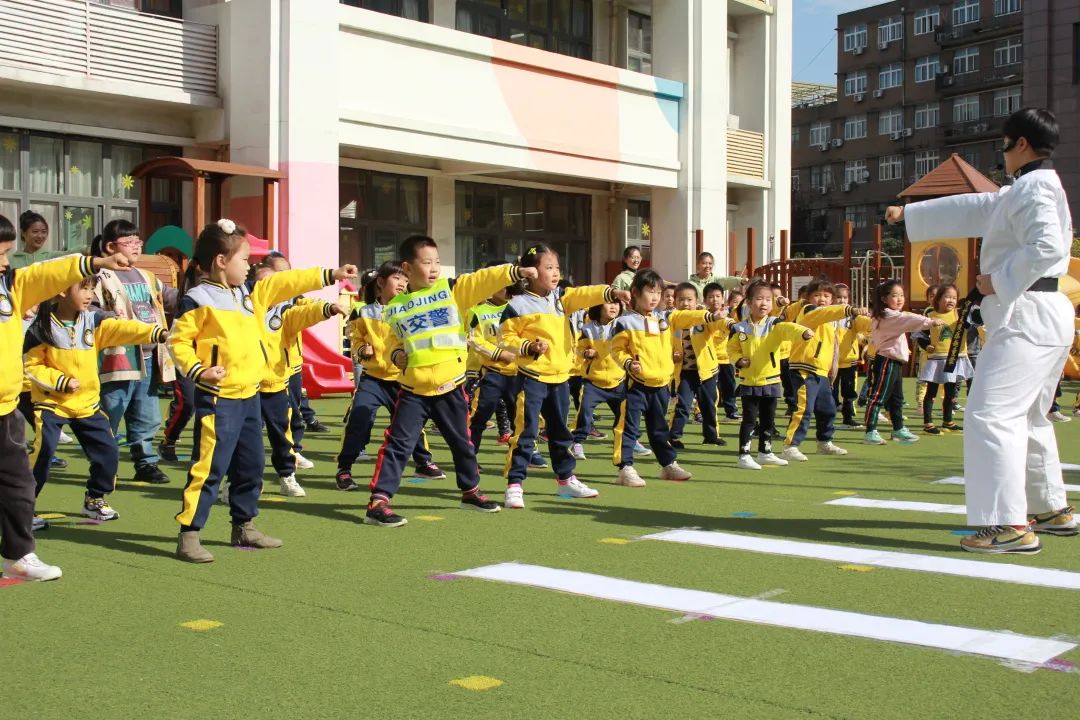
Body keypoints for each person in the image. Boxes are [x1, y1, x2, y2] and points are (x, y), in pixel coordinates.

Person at [887, 107, 1076, 553]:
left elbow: (1046, 245)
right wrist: (909, 215)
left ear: (1021, 145)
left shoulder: (1032, 190)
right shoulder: (1031, 188)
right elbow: (979, 205)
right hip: (1045, 313)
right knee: (1028, 415)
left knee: (991, 415)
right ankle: (1050, 509)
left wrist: (999, 280)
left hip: (1026, 314)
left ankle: (1008, 523)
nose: (1003, 152)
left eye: (1006, 144)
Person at [168, 219, 356, 562]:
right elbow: (178, 343)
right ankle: (189, 533)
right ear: (221, 261)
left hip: (249, 395)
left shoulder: (249, 295)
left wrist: (330, 273)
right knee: (209, 468)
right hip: (218, 398)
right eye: (244, 260)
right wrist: (199, 370)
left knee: (251, 465)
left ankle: (244, 526)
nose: (250, 266)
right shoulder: (196, 300)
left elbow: (287, 281)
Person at [1, 212, 129, 582]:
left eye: (8, 253)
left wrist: (95, 262)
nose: (6, 262)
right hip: (39, 403)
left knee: (18, 484)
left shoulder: (11, 285)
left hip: (6, 407)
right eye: (0, 254)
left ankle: (20, 554)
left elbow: (46, 274)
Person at [365, 236, 524, 527]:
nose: (435, 268)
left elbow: (483, 279)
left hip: (451, 386)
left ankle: (471, 492)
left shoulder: (452, 290)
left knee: (462, 443)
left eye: (437, 261)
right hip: (413, 391)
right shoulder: (395, 307)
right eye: (427, 262)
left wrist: (514, 271)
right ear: (407, 268)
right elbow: (391, 342)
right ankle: (379, 501)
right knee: (398, 444)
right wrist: (397, 354)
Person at [24, 277, 165, 521]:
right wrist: (61, 381)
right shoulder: (41, 328)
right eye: (83, 288)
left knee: (108, 451)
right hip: (52, 403)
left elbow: (122, 328)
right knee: (43, 452)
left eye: (91, 288)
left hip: (87, 403)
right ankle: (23, 507)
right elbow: (31, 365)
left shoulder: (94, 320)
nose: (90, 294)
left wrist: (153, 332)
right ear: (60, 292)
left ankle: (95, 498)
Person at [498, 243, 626, 508]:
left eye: (557, 267)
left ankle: (566, 480)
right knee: (526, 432)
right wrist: (528, 347)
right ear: (531, 272)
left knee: (560, 432)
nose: (555, 273)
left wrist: (610, 291)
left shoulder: (561, 299)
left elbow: (584, 293)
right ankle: (515, 484)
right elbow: (505, 338)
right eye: (548, 268)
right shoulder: (517, 305)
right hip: (531, 377)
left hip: (560, 378)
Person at [610, 269, 725, 487]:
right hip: (636, 385)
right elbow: (616, 350)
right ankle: (625, 467)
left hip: (661, 384)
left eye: (658, 293)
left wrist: (708, 315)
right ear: (635, 292)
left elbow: (686, 316)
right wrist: (627, 363)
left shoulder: (665, 317)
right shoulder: (624, 322)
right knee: (628, 428)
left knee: (659, 428)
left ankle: (668, 464)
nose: (654, 297)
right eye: (649, 292)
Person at [337, 262, 445, 491]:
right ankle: (344, 469)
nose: (403, 283)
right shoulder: (363, 311)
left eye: (405, 280)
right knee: (360, 417)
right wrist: (361, 350)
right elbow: (355, 341)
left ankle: (423, 461)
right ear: (381, 282)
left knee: (411, 423)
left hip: (403, 378)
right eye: (397, 278)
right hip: (373, 378)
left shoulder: (410, 309)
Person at [91, 220, 177, 485]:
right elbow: (88, 308)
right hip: (118, 356)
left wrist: (195, 294)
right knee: (112, 410)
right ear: (110, 247)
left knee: (147, 413)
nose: (136, 246)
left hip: (149, 356)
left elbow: (170, 298)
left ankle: (145, 462)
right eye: (129, 242)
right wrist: (108, 317)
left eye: (138, 241)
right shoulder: (100, 275)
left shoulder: (146, 276)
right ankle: (105, 463)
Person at [256, 261, 348, 497]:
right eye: (264, 283)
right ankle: (236, 482)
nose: (272, 287)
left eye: (275, 282)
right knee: (246, 438)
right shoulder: (245, 311)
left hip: (276, 382)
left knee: (282, 433)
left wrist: (327, 309)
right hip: (247, 385)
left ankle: (287, 475)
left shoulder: (285, 311)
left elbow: (304, 312)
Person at [727, 281, 814, 470]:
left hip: (771, 380)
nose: (764, 303)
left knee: (768, 419)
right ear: (749, 302)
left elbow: (790, 328)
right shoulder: (739, 328)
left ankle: (765, 452)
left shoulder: (775, 324)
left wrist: (804, 332)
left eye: (768, 299)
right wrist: (738, 360)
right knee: (750, 420)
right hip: (749, 381)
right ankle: (744, 454)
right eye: (759, 299)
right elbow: (731, 348)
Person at [780, 279, 867, 462]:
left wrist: (876, 320)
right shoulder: (808, 311)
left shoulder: (831, 321)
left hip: (821, 372)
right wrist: (848, 309)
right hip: (804, 369)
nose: (822, 299)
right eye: (817, 295)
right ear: (808, 297)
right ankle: (790, 445)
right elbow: (825, 312)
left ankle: (824, 441)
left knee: (828, 409)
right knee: (804, 409)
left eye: (827, 296)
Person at [862, 280, 942, 446]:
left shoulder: (887, 314)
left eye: (901, 295)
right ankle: (870, 431)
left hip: (894, 362)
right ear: (884, 299)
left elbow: (906, 319)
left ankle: (898, 428)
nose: (899, 299)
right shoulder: (888, 315)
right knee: (879, 397)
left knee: (896, 399)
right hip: (886, 361)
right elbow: (908, 319)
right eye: (894, 296)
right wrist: (931, 321)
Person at [668, 282, 728, 449]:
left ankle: (711, 436)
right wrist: (671, 355)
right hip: (685, 372)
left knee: (709, 404)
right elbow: (665, 343)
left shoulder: (704, 317)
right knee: (683, 405)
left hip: (707, 371)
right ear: (674, 301)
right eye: (681, 299)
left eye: (689, 299)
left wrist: (727, 323)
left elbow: (717, 324)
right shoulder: (672, 319)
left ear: (696, 301)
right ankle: (673, 437)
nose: (685, 303)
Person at [570, 300, 625, 460]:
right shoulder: (588, 329)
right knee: (585, 413)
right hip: (593, 382)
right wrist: (586, 353)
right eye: (609, 304)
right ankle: (577, 442)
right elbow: (579, 349)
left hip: (618, 380)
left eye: (617, 304)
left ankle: (629, 442)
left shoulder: (622, 325)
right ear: (598, 307)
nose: (614, 306)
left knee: (624, 415)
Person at [917, 284, 974, 434]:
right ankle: (928, 423)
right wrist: (926, 345)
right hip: (937, 359)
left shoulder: (959, 314)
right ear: (938, 299)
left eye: (954, 297)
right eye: (947, 297)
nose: (951, 300)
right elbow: (920, 335)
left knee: (950, 392)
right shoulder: (931, 316)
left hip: (955, 358)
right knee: (931, 391)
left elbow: (973, 321)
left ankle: (947, 421)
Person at [832, 283, 872, 429]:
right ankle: (828, 419)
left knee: (849, 391)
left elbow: (863, 329)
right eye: (838, 297)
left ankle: (848, 418)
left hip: (849, 360)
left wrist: (868, 317)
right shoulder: (828, 315)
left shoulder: (853, 316)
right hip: (831, 362)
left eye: (844, 297)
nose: (842, 300)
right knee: (831, 392)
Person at [707, 283, 740, 420]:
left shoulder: (728, 315)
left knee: (729, 385)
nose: (714, 299)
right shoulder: (703, 315)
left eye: (718, 296)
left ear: (723, 299)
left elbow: (734, 322)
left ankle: (731, 411)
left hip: (725, 358)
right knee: (708, 389)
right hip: (708, 358)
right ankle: (703, 413)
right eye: (710, 297)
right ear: (705, 300)